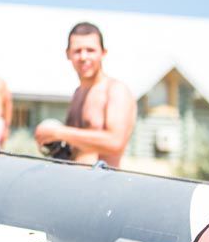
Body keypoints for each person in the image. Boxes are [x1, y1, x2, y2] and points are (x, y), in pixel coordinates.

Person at [32, 22, 134, 167]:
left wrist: (59, 133)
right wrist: (51, 142)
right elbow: (76, 146)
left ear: (103, 53)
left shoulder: (116, 90)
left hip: (103, 180)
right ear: (68, 54)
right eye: (77, 51)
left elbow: (115, 142)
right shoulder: (78, 93)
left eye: (90, 50)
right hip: (73, 178)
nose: (83, 57)